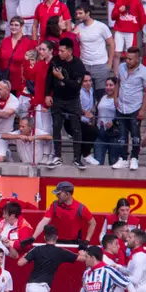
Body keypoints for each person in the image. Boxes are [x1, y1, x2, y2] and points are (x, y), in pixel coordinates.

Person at [45, 38, 86, 169]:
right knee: (56, 126)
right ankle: (57, 156)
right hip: (57, 98)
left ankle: (77, 158)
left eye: (62, 51)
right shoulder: (55, 60)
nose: (59, 53)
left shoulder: (78, 64)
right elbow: (48, 78)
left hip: (73, 99)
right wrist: (47, 94)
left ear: (69, 51)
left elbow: (76, 86)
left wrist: (62, 78)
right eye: (59, 50)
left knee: (76, 128)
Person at [29, 181, 96, 246]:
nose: (57, 196)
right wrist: (33, 237)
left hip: (74, 244)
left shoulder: (80, 208)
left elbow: (93, 223)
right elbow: (44, 221)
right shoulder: (54, 205)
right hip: (57, 242)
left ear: (67, 194)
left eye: (59, 194)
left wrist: (87, 241)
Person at [113, 47, 146, 171]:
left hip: (135, 107)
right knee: (122, 135)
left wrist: (142, 110)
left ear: (138, 59)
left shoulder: (144, 72)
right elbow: (118, 83)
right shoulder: (121, 67)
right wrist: (115, 97)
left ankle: (134, 158)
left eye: (130, 59)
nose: (127, 60)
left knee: (135, 135)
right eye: (126, 58)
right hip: (121, 106)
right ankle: (123, 158)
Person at [74, 5, 114, 100]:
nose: (78, 16)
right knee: (86, 96)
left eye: (80, 13)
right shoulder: (78, 28)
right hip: (85, 66)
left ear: (87, 13)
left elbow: (112, 44)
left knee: (101, 95)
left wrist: (110, 64)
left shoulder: (101, 26)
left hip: (100, 65)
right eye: (76, 14)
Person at [93, 77, 120, 165]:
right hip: (100, 133)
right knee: (97, 162)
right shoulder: (102, 97)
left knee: (113, 162)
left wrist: (113, 122)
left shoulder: (119, 99)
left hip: (114, 134)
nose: (108, 87)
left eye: (111, 85)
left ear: (116, 86)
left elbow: (122, 115)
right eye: (107, 85)